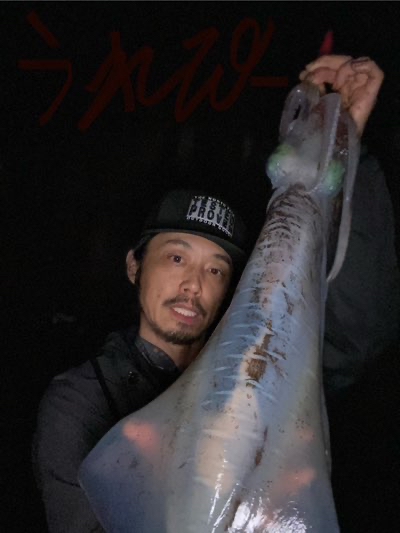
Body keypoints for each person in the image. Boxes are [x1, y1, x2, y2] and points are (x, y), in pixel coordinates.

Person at [32, 56, 399, 532]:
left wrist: (343, 143)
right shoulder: (80, 401)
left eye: (216, 269)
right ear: (134, 266)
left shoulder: (259, 376)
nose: (194, 284)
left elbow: (355, 332)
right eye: (176, 258)